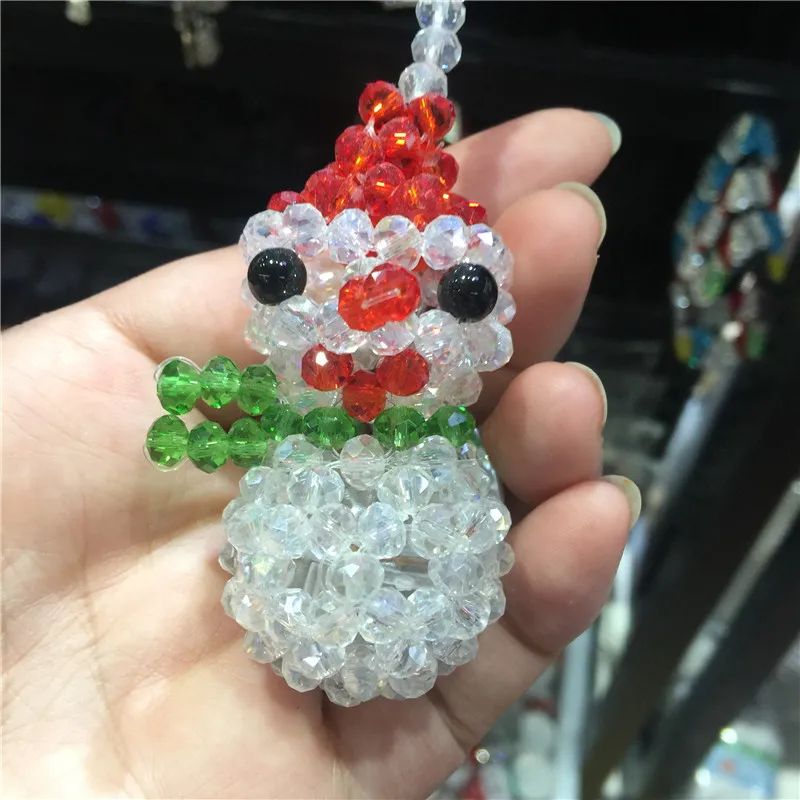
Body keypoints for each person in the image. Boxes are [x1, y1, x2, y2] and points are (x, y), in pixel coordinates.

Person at [2, 108, 639, 799]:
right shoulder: (299, 403)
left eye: (464, 296)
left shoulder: (438, 424)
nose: (374, 316)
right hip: (302, 580)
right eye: (279, 279)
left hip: (417, 574)